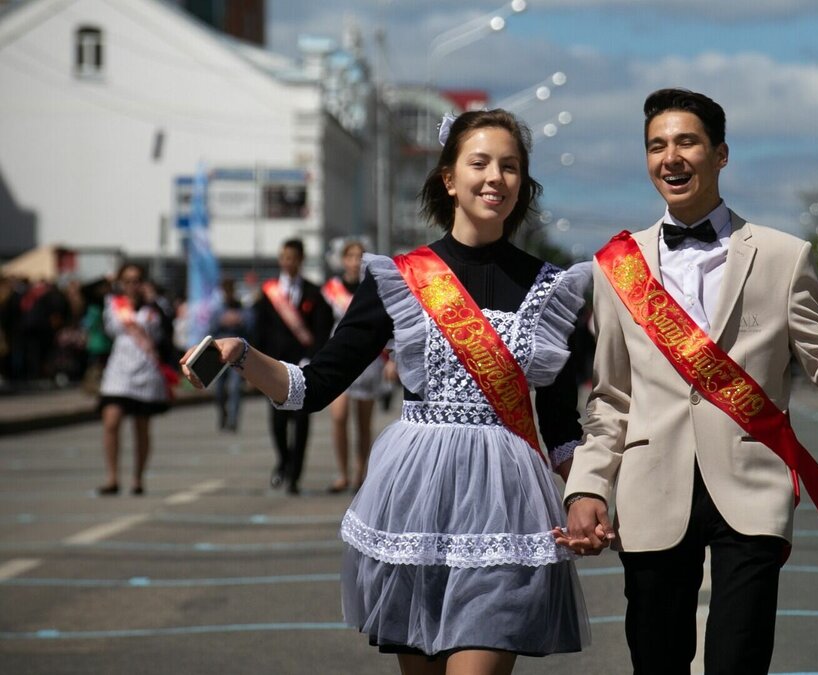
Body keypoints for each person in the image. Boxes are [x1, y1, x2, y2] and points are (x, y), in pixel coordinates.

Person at [181, 109, 591, 674]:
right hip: (415, 500)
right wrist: (243, 355)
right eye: (480, 163)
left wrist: (589, 494)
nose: (495, 177)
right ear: (449, 178)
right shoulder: (401, 278)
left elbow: (562, 425)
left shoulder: (550, 289)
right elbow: (313, 385)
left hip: (505, 505)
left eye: (510, 166)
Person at [558, 88, 818, 675]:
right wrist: (587, 488)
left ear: (721, 154)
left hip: (750, 490)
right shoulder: (616, 268)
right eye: (657, 146)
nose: (671, 158)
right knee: (657, 661)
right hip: (650, 487)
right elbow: (610, 398)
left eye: (687, 142)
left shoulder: (784, 256)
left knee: (739, 660)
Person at [253, 238, 333, 494]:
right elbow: (259, 330)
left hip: (303, 366)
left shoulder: (313, 292)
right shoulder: (269, 294)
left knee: (301, 422)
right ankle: (283, 462)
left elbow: (321, 330)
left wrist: (312, 357)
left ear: (300, 260)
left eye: (293, 257)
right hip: (274, 365)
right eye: (284, 257)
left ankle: (295, 475)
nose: (288, 262)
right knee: (277, 421)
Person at [96, 263, 171, 496]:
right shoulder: (113, 304)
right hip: (119, 370)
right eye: (127, 280)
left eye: (137, 280)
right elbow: (89, 294)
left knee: (141, 427)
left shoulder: (155, 307)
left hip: (146, 370)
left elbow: (168, 331)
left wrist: (153, 301)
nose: (132, 285)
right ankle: (112, 477)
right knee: (111, 421)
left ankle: (138, 478)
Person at [322, 240, 386, 492]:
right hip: (339, 356)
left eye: (360, 256)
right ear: (342, 259)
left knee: (363, 422)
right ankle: (342, 473)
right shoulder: (331, 289)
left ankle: (360, 473)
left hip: (369, 359)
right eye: (350, 256)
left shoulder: (375, 289)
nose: (355, 261)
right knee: (338, 416)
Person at [211, 278, 249, 432]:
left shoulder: (241, 308)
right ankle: (223, 413)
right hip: (219, 355)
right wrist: (222, 321)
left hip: (236, 356)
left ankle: (233, 420)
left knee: (235, 388)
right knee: (219, 390)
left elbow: (251, 324)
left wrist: (240, 321)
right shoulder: (218, 310)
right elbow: (209, 328)